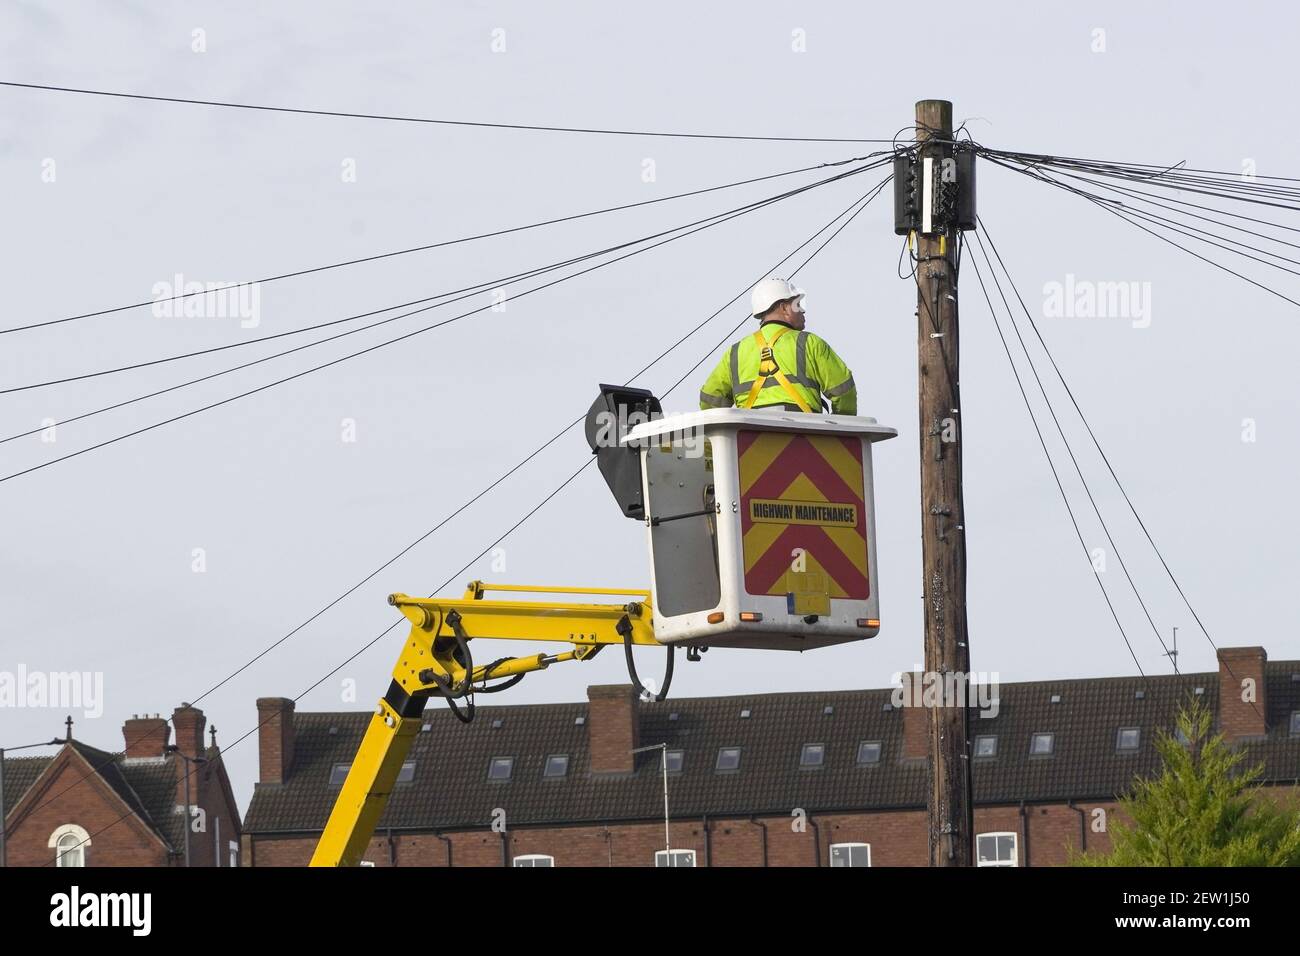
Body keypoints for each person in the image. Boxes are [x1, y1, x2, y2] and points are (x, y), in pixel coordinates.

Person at [699, 278, 857, 414]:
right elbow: (844, 393)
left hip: (749, 440)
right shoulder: (810, 343)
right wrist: (841, 431)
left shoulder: (735, 352)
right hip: (805, 438)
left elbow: (710, 400)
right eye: (797, 304)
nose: (802, 311)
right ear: (784, 308)